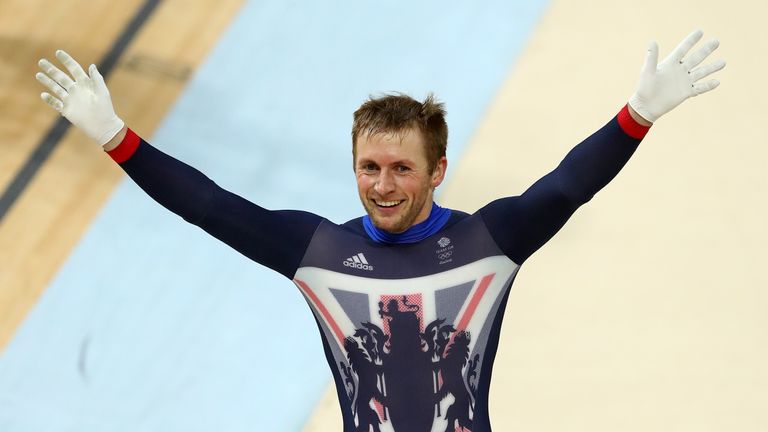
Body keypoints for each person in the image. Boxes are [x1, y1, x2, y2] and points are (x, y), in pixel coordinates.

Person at [35, 29, 724, 432]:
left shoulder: (493, 241)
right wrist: (117, 138)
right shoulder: (319, 252)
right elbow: (210, 206)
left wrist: (637, 114)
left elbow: (568, 185)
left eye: (401, 167)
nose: (382, 185)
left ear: (437, 171)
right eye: (369, 166)